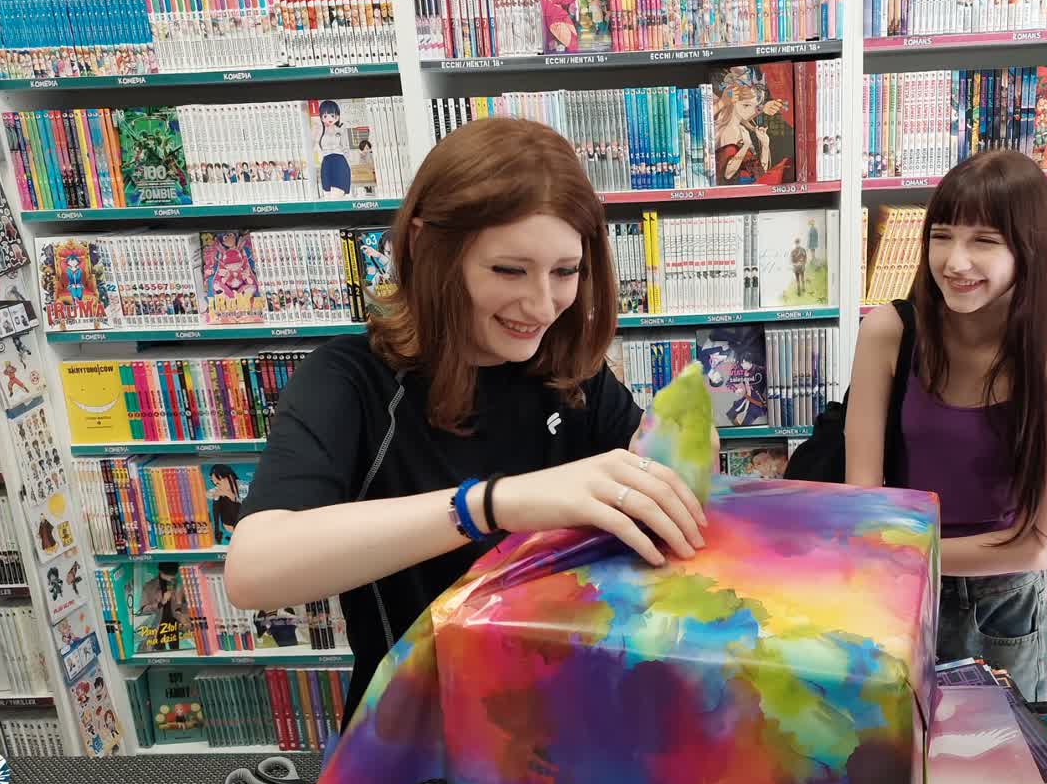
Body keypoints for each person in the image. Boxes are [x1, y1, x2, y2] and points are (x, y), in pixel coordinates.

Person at [225, 118, 708, 726]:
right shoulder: (351, 381)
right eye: (509, 270)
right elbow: (254, 571)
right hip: (418, 738)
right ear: (428, 248)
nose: (542, 306)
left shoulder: (572, 374)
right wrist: (488, 505)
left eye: (565, 271)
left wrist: (680, 462)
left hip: (571, 723)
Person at [843, 150, 1047, 700]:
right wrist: (881, 555)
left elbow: (1038, 546)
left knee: (998, 752)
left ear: (1029, 249)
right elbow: (863, 503)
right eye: (942, 236)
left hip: (1000, 609)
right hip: (894, 595)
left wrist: (891, 551)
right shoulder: (890, 331)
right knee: (882, 747)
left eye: (984, 241)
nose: (955, 261)